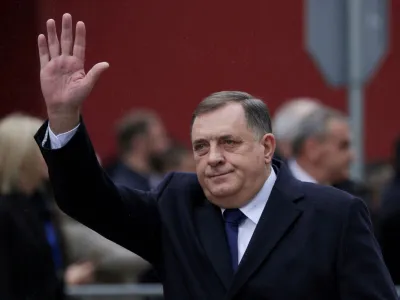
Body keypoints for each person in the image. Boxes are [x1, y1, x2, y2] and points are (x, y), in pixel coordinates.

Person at [33, 13, 397, 299]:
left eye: (229, 142)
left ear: (266, 147)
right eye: (201, 147)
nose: (213, 158)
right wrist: (64, 116)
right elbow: (88, 200)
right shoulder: (177, 205)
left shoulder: (334, 214)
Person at [0, 113, 94, 300]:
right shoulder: (5, 212)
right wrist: (63, 281)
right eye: (43, 148)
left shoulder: (42, 205)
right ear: (22, 156)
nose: (51, 155)